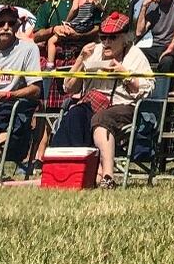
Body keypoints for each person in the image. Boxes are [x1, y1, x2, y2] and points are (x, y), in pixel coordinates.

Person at [54, 14, 153, 189]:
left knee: (102, 119)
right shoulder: (92, 52)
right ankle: (66, 170)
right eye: (103, 37)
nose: (106, 42)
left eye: (112, 37)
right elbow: (69, 88)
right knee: (74, 115)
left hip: (122, 105)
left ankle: (107, 176)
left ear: (124, 39)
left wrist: (125, 75)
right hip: (92, 101)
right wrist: (80, 60)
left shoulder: (135, 55)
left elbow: (146, 89)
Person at [0, 4, 42, 167]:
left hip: (11, 102)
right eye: (1, 23)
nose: (5, 27)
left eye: (10, 23)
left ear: (17, 25)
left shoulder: (29, 49)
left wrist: (7, 95)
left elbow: (36, 89)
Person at [44, 0, 101, 69]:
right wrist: (53, 29)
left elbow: (97, 27)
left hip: (81, 57)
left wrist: (67, 23)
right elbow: (36, 35)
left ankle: (50, 64)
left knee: (52, 40)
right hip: (62, 59)